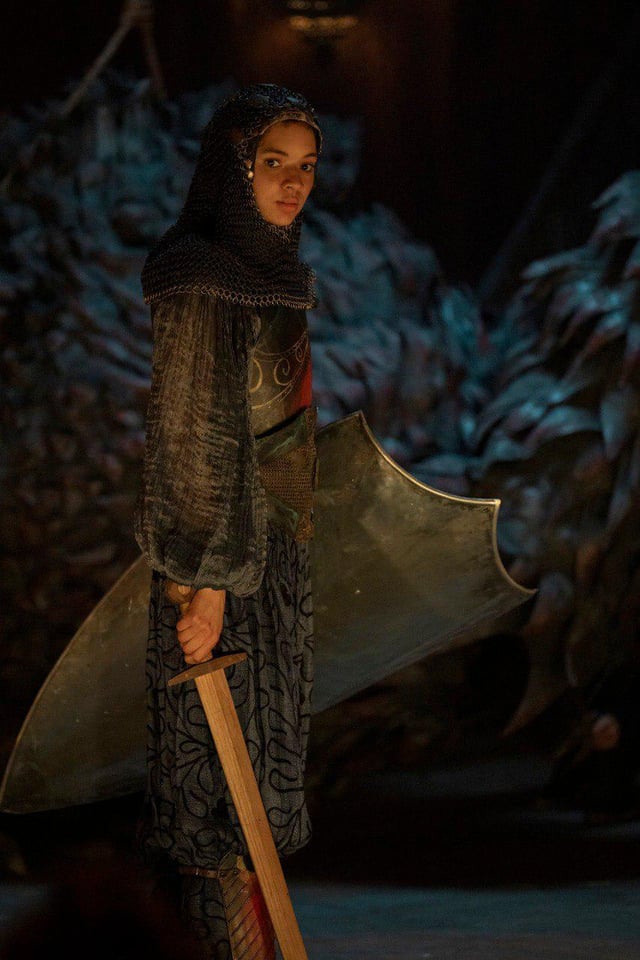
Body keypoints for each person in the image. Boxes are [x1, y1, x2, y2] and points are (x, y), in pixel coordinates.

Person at [134, 83, 322, 959]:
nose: (292, 183)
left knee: (261, 791)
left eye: (305, 166)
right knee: (214, 801)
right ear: (232, 170)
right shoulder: (200, 277)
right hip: (218, 565)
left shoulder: (275, 275)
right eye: (271, 163)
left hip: (274, 561)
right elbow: (193, 437)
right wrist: (206, 585)